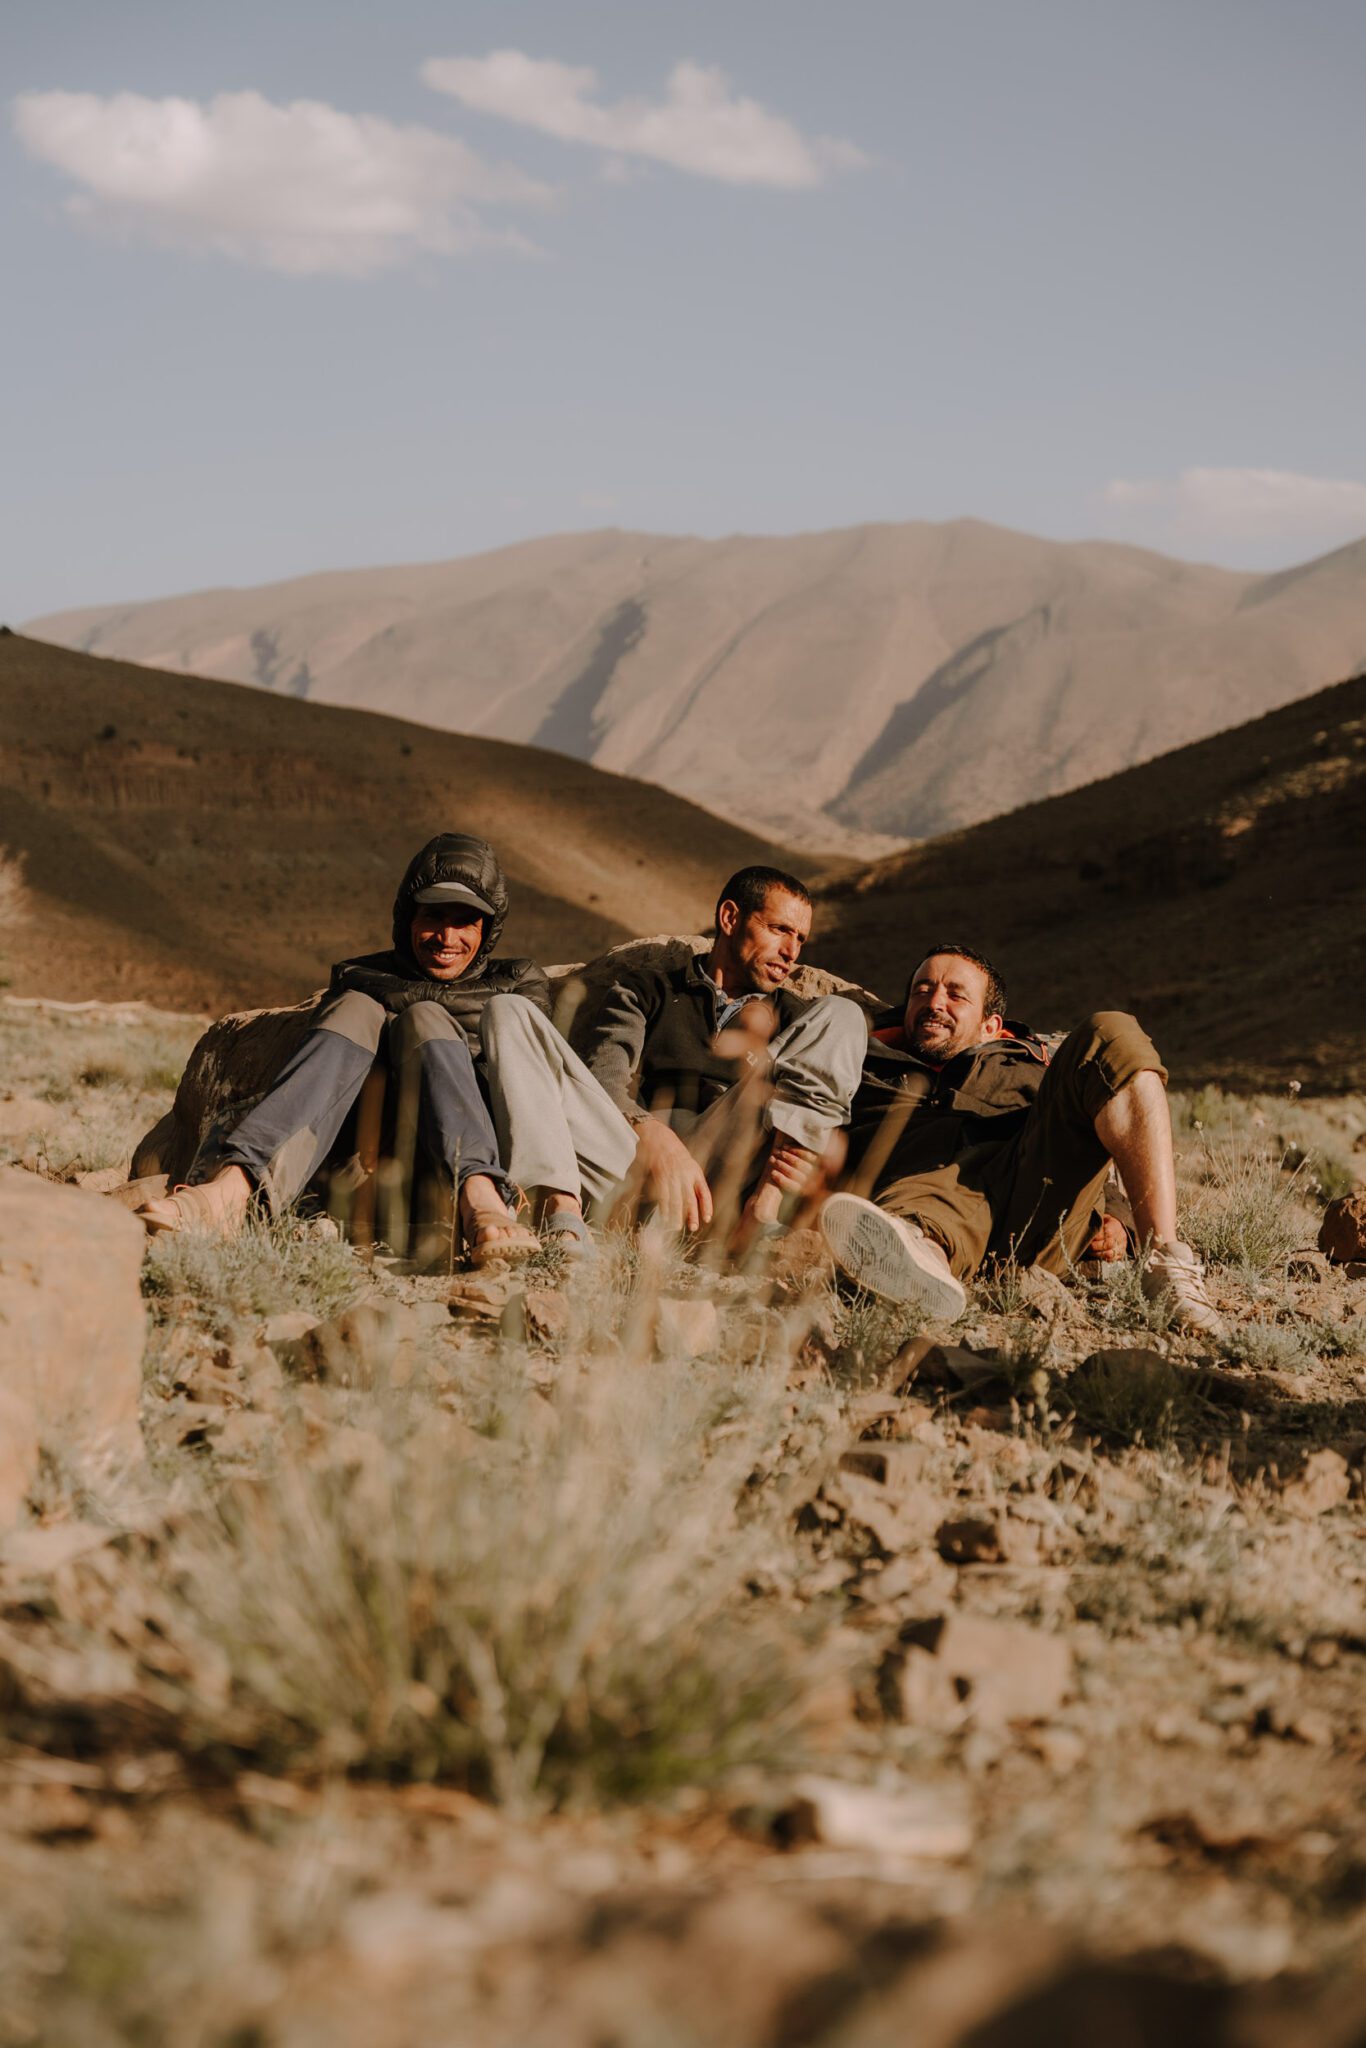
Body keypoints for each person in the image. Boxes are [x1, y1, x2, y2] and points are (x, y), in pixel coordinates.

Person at [136, 833, 546, 1262]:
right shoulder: (359, 979)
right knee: (355, 1009)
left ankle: (481, 1195)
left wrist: (408, 1011)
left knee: (422, 1018)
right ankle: (231, 1192)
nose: (446, 936)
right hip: (357, 1170)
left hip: (447, 1173)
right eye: (434, 916)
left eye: (465, 921)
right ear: (408, 919)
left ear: (489, 927)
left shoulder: (519, 982)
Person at [818, 943, 1225, 1336]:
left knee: (1112, 1031)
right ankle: (918, 1260)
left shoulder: (1029, 1069)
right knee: (933, 1192)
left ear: (990, 1026)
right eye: (921, 991)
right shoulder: (864, 1060)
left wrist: (1123, 1221)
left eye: (956, 995)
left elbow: (1091, 1142)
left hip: (1033, 1208)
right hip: (918, 1196)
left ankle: (1167, 1264)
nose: (934, 1003)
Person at [580, 866, 869, 1242]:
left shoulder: (796, 1021)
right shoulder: (649, 989)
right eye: (780, 929)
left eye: (800, 939)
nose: (791, 951)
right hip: (644, 1164)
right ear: (731, 917)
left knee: (843, 1013)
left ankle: (761, 1214)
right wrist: (656, 1135)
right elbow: (603, 1077)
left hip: (732, 1174)